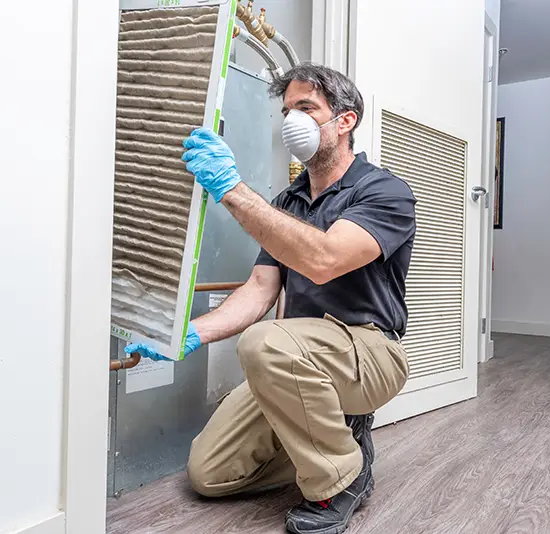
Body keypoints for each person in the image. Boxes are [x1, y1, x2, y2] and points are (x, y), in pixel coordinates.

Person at [128, 63, 416, 534]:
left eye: (305, 108)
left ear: (345, 121)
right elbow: (260, 289)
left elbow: (324, 259)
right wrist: (187, 334)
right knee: (209, 472)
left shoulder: (383, 191)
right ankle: (333, 441)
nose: (291, 121)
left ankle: (339, 480)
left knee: (263, 343)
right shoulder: (288, 203)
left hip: (370, 353)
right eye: (286, 111)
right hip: (296, 358)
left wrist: (233, 191)